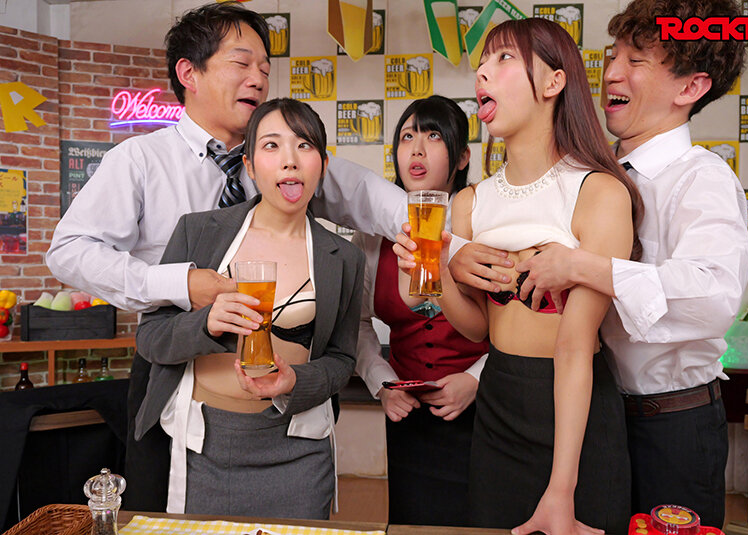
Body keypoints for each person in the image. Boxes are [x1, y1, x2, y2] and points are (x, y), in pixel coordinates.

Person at [45, 2, 405, 512]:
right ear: (189, 73)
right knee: (170, 512)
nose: (258, 78)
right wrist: (179, 284)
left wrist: (450, 245)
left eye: (264, 67)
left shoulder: (284, 159)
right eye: (241, 63)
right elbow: (69, 251)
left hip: (285, 406)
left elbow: (373, 198)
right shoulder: (142, 160)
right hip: (171, 368)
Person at [447, 0, 748, 528]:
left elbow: (713, 299)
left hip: (668, 422)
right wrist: (450, 261)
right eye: (613, 56)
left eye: (636, 61)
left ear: (690, 87)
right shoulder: (592, 173)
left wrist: (580, 267)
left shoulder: (701, 177)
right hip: (585, 408)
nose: (611, 72)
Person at [395, 18, 643, 535]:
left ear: (554, 82)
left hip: (574, 405)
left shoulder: (599, 192)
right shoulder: (470, 202)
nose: (483, 72)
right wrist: (437, 269)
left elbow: (575, 347)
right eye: (482, 61)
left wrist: (561, 490)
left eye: (504, 58)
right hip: (499, 401)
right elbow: (478, 330)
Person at [133, 98, 363, 518]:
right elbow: (150, 338)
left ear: (323, 165)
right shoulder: (199, 232)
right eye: (272, 145)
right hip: (203, 447)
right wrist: (206, 324)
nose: (290, 160)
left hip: (298, 451)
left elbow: (342, 360)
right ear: (250, 166)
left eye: (304, 146)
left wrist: (295, 380)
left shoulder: (344, 257)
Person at [353, 95, 489, 526]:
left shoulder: (484, 224)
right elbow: (357, 325)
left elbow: (518, 327)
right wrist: (383, 384)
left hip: (482, 412)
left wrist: (475, 381)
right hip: (407, 414)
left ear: (463, 157)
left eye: (433, 136)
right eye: (407, 136)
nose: (416, 149)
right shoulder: (373, 236)